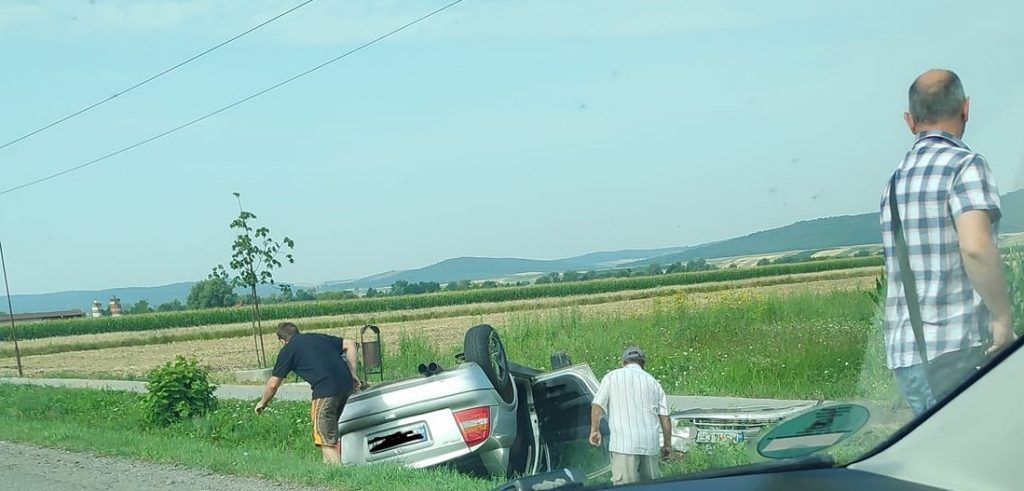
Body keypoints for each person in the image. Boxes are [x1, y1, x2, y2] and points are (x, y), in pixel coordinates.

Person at [881, 69, 1015, 416]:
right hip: (956, 352)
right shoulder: (965, 166)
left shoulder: (895, 181)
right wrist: (1002, 317)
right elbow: (975, 247)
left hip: (907, 355)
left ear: (910, 121)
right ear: (965, 109)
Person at [254, 322, 360, 464]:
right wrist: (353, 374)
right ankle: (328, 472)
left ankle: (340, 474)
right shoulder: (317, 337)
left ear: (282, 340)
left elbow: (273, 384)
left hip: (325, 391)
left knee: (324, 437)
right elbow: (350, 344)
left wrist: (263, 402)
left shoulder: (289, 349)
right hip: (345, 387)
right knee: (328, 432)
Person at [588, 347, 672, 486]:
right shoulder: (653, 382)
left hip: (624, 444)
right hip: (650, 444)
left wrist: (595, 430)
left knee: (625, 486)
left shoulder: (612, 377)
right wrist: (667, 445)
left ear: (623, 362)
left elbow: (597, 405)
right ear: (643, 364)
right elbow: (665, 417)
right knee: (652, 487)